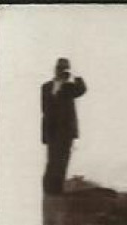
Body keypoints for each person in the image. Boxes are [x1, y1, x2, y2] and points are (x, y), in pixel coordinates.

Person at [42, 57, 87, 195]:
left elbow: (82, 89)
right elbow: (44, 110)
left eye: (64, 69)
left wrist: (75, 75)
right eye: (60, 68)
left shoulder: (70, 87)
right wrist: (45, 133)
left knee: (62, 161)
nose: (61, 71)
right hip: (52, 130)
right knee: (51, 161)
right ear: (55, 69)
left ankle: (57, 190)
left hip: (66, 131)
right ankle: (48, 191)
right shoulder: (46, 87)